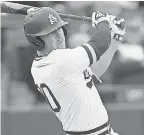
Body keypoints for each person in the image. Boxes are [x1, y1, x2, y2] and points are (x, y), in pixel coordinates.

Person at [23, 7, 126, 135]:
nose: (59, 35)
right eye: (50, 32)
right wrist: (103, 22)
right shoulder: (60, 61)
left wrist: (115, 40)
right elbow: (101, 42)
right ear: (37, 41)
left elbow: (93, 74)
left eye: (58, 28)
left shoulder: (43, 64)